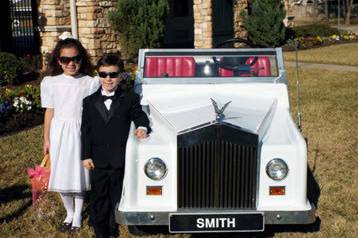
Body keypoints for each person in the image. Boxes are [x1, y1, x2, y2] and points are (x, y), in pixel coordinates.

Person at [81, 53, 150, 238]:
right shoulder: (89, 102)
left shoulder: (130, 99)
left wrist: (142, 126)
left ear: (120, 75)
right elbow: (85, 131)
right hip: (98, 159)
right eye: (103, 75)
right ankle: (100, 230)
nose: (108, 79)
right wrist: (85, 155)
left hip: (120, 158)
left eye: (113, 74)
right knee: (99, 196)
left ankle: (113, 228)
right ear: (98, 75)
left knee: (116, 195)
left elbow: (139, 115)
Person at [41, 36, 99, 233]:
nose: (71, 63)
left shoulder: (90, 83)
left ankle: (77, 217)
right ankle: (69, 212)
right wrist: (46, 139)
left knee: (79, 175)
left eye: (75, 59)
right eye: (65, 60)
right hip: (59, 134)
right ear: (58, 61)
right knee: (62, 174)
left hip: (81, 133)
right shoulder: (50, 82)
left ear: (82, 59)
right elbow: (49, 111)